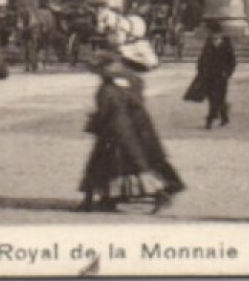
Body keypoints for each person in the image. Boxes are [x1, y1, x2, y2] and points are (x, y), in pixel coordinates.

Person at [77, 52, 179, 213]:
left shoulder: (107, 89)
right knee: (121, 165)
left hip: (116, 130)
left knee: (103, 165)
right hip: (132, 127)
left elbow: (111, 113)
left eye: (96, 70)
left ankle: (98, 200)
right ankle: (107, 199)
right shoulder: (127, 81)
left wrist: (97, 121)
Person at [196, 20, 238, 128]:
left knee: (219, 97)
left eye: (208, 31)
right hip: (209, 75)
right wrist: (200, 69)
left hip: (221, 75)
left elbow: (232, 60)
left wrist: (227, 72)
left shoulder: (225, 42)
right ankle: (223, 116)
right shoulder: (209, 42)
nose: (207, 33)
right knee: (212, 97)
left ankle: (210, 118)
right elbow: (203, 57)